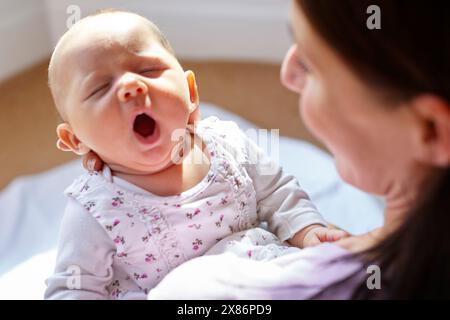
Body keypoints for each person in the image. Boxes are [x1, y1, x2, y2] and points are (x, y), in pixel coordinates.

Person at [145, 0, 450, 299]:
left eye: (308, 64)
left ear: (430, 130)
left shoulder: (203, 292)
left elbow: (274, 188)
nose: (287, 75)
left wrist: (304, 227)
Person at [44, 9, 347, 299]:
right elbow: (74, 287)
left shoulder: (228, 143)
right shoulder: (95, 210)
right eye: (99, 88)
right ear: (75, 139)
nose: (131, 86)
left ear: (191, 91)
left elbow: (278, 192)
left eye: (148, 69)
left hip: (260, 279)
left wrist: (308, 230)